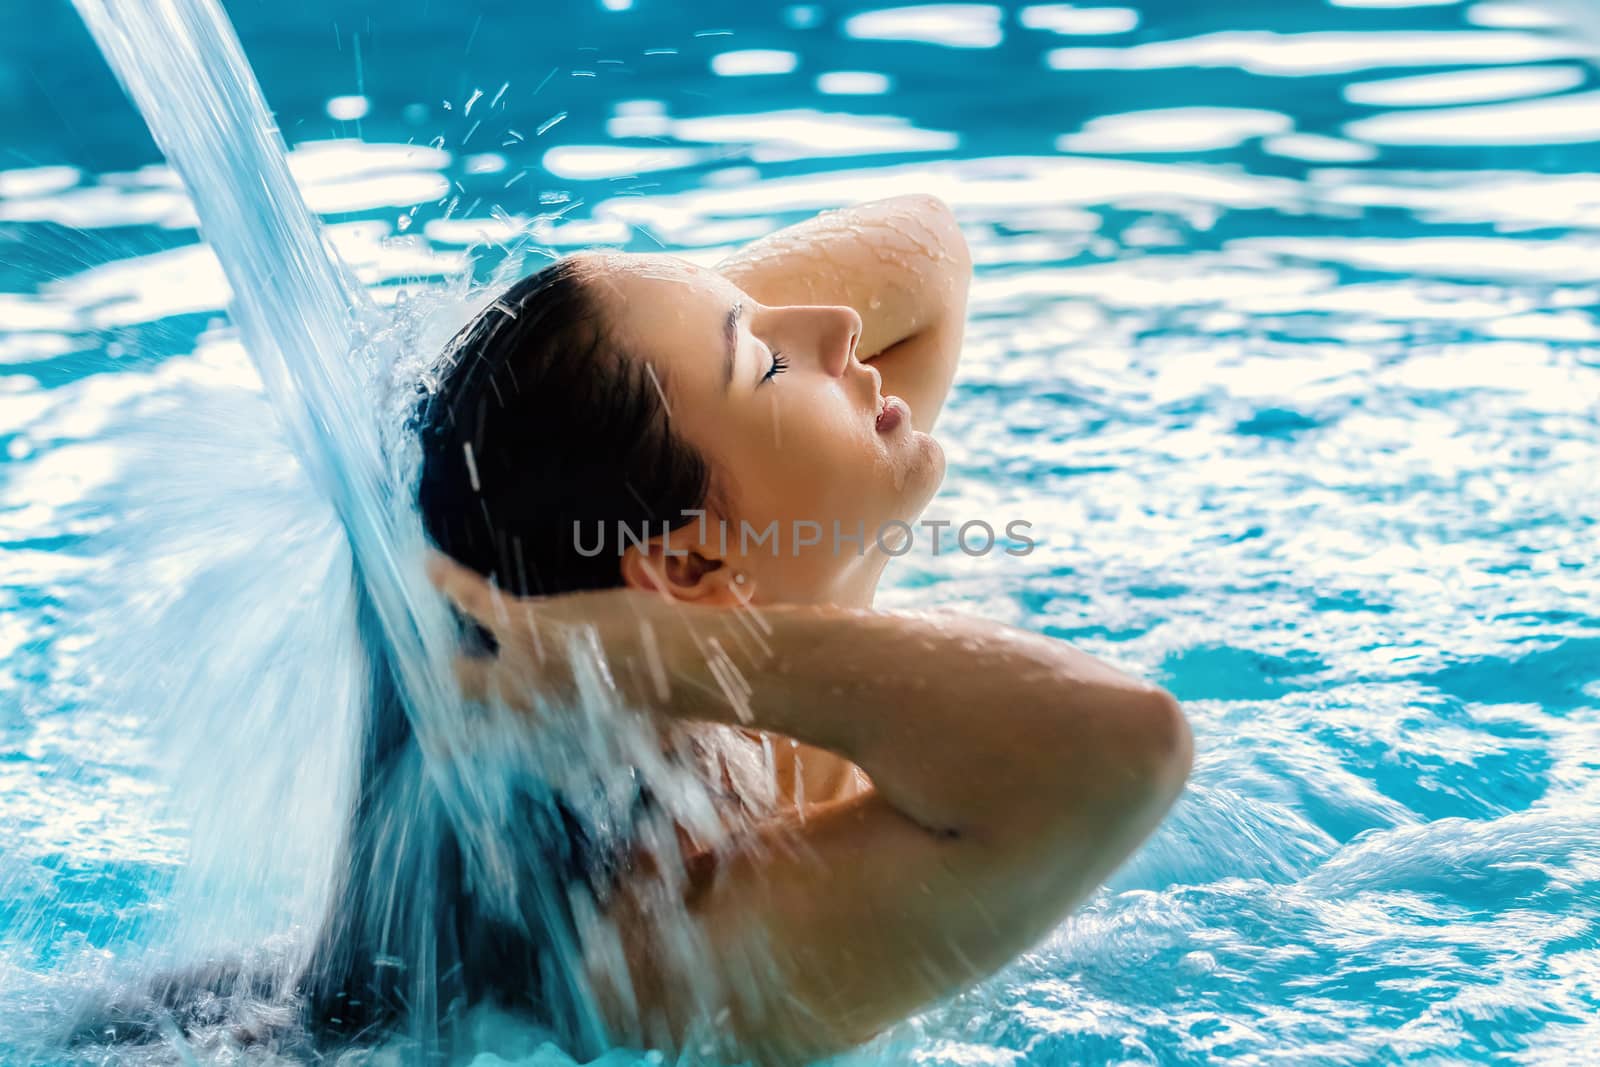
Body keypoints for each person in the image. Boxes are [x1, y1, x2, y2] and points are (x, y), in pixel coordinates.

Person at [346, 193, 1190, 1063]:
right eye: (770, 364)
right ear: (688, 571)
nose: (841, 323)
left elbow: (928, 254)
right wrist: (627, 652)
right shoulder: (656, 941)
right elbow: (1127, 744)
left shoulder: (785, 580)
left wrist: (601, 358)